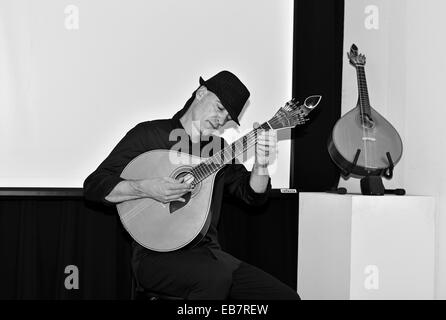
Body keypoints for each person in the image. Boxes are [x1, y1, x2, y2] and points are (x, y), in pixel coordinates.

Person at [83, 70, 300, 300]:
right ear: (201, 92)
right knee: (214, 278)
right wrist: (146, 187)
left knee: (286, 298)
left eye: (227, 117)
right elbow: (95, 185)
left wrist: (262, 165)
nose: (221, 119)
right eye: (219, 108)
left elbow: (252, 196)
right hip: (154, 255)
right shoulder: (150, 135)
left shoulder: (219, 149)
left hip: (208, 253)